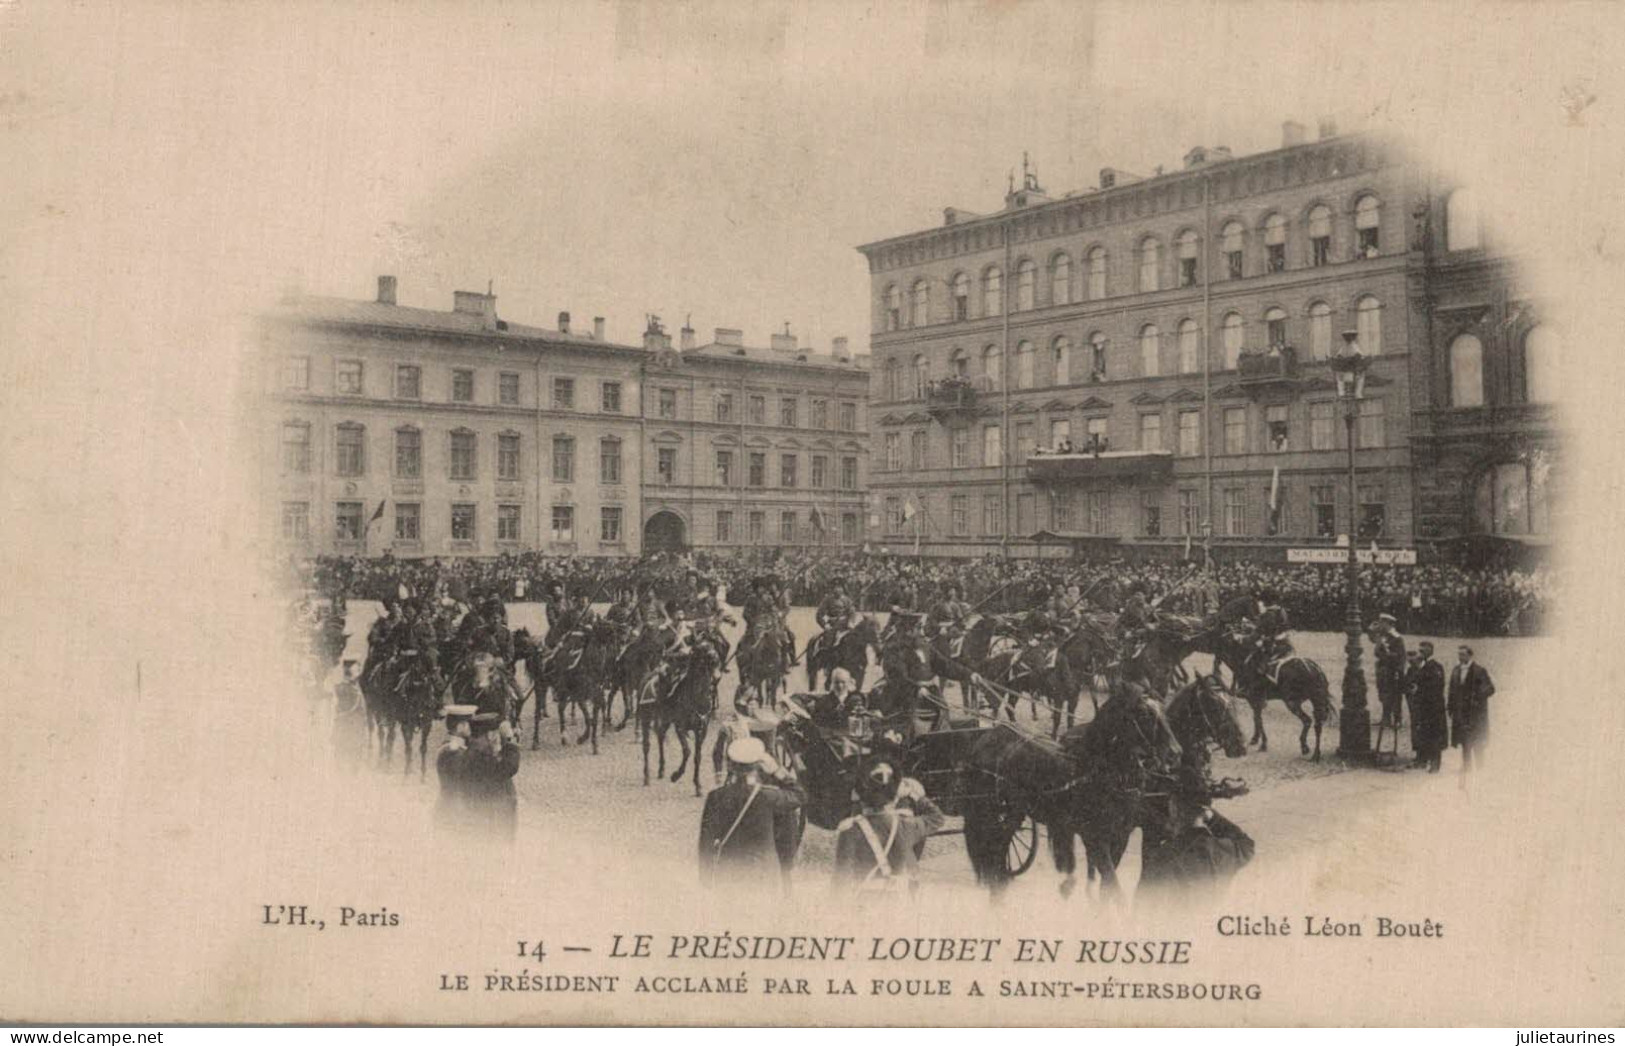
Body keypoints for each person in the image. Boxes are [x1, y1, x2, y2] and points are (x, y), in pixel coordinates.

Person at [696, 736, 806, 887]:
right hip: (763, 875)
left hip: (728, 873)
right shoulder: (769, 796)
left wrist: (706, 877)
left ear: (731, 766)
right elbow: (800, 795)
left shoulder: (716, 797)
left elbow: (706, 841)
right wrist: (776, 770)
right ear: (758, 767)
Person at [832, 757, 946, 895]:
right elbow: (937, 818)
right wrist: (913, 794)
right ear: (894, 796)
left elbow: (840, 883)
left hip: (864, 904)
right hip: (898, 907)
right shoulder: (906, 826)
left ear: (860, 794)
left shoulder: (850, 831)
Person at [1447, 644, 1496, 775]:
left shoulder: (1479, 671)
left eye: (1463, 654)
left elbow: (1490, 688)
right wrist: (1450, 707)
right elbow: (1452, 690)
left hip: (1475, 713)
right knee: (1464, 741)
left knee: (1477, 741)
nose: (1460, 657)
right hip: (1460, 713)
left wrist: (1477, 696)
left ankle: (1480, 767)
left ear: (1470, 655)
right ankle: (1466, 766)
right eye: (1459, 654)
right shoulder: (1456, 670)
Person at [1409, 641, 1448, 773]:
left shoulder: (1436, 667)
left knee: (1435, 735)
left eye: (1423, 651)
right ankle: (1423, 760)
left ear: (1431, 651)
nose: (1421, 653)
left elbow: (1435, 687)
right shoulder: (1422, 666)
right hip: (1424, 707)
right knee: (1424, 733)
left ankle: (1435, 764)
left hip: (1434, 707)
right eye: (1420, 650)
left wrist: (1419, 691)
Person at [1371, 613, 1408, 729]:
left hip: (1393, 669)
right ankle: (1385, 718)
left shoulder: (1396, 637)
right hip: (1383, 669)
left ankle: (1397, 719)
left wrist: (1387, 656)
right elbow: (1373, 641)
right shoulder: (1383, 636)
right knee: (1383, 693)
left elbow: (1401, 656)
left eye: (1382, 622)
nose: (1380, 624)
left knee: (1395, 695)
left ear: (1388, 623)